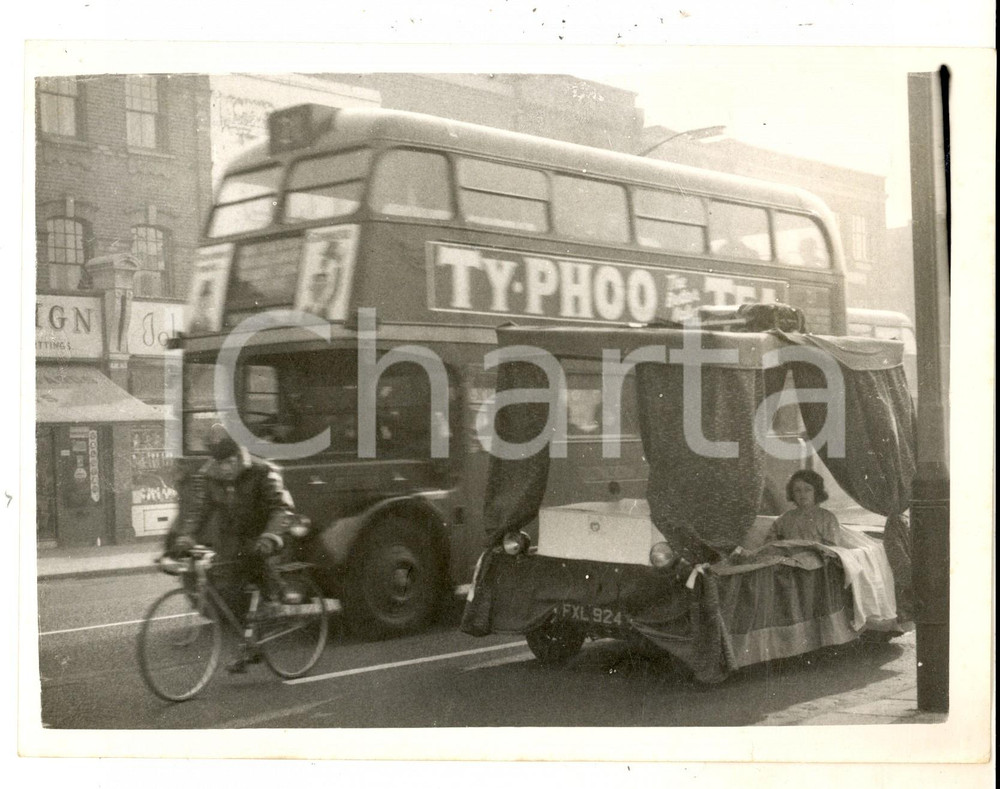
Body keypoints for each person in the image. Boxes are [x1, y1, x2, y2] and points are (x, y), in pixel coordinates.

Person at [165, 424, 300, 672]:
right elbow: (199, 510)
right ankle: (250, 641)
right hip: (232, 538)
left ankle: (275, 596)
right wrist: (186, 536)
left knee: (256, 559)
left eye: (230, 461)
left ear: (239, 455)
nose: (225, 468)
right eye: (220, 463)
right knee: (226, 587)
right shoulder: (209, 476)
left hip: (264, 532)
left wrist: (270, 536)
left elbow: (282, 508)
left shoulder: (262, 470)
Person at [766, 468, 846, 546]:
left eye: (808, 490)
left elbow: (833, 549)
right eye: (797, 490)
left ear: (817, 492)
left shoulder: (827, 518)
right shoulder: (785, 518)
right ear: (792, 493)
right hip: (788, 557)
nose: (802, 494)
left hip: (817, 557)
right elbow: (770, 544)